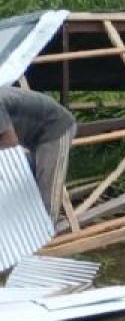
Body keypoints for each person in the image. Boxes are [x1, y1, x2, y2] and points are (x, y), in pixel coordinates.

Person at [0, 86, 76, 224]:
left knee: (48, 187)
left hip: (54, 129)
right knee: (25, 182)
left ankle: (46, 233)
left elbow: (10, 143)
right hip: (31, 136)